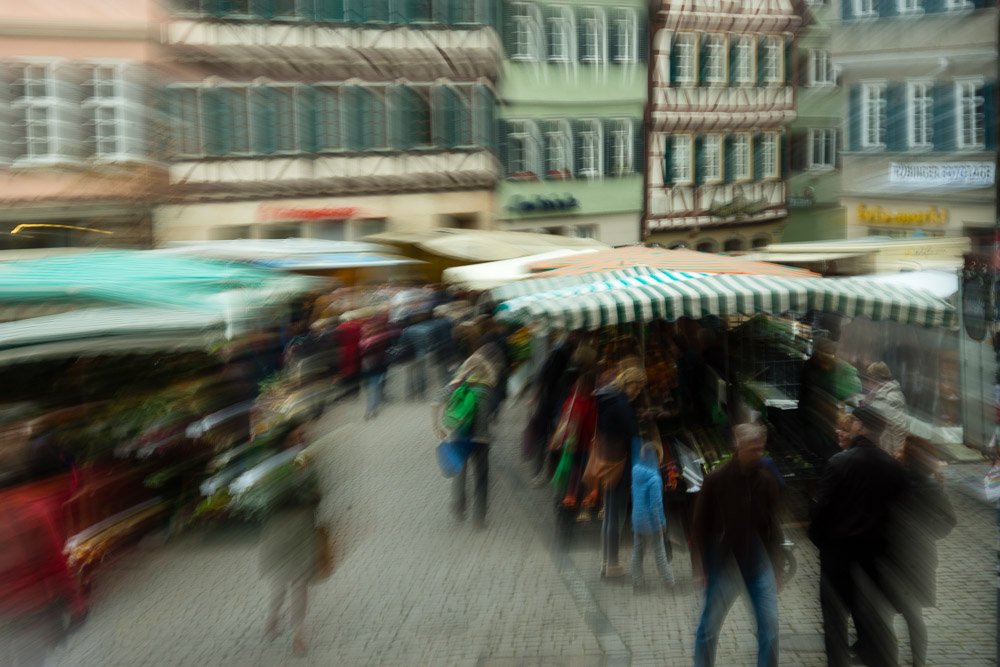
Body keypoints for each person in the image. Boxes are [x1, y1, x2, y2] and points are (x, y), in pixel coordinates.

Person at [809, 405, 907, 667]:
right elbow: (900, 517)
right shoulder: (893, 467)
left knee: (834, 620)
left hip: (837, 555)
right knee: (872, 620)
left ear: (860, 427)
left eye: (854, 423)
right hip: (874, 556)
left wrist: (823, 543)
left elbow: (820, 512)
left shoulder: (839, 463)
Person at [691, 422, 784, 667]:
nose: (759, 454)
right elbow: (699, 525)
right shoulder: (716, 480)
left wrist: (778, 566)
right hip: (725, 563)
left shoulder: (766, 480)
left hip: (757, 562)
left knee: (770, 627)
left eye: (761, 449)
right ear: (739, 447)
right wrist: (699, 565)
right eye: (754, 449)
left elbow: (774, 525)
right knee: (709, 628)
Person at [881, 436, 956, 667]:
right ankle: (918, 662)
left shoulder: (896, 483)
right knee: (912, 615)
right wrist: (927, 535)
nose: (896, 453)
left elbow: (949, 520)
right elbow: (949, 521)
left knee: (890, 613)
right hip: (918, 557)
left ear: (909, 458)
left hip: (895, 557)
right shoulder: (928, 485)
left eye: (901, 451)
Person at [260, 426, 324, 656]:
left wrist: (306, 483)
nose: (298, 440)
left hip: (303, 530)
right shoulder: (274, 465)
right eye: (293, 437)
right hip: (279, 531)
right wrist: (296, 481)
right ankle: (272, 615)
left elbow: (317, 496)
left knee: (300, 583)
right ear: (283, 442)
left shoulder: (308, 460)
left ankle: (298, 634)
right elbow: (271, 499)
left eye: (301, 436)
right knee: (279, 580)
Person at [432, 347, 499, 529]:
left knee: (460, 474)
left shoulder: (457, 384)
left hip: (459, 436)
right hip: (482, 440)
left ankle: (459, 507)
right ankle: (479, 519)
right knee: (481, 478)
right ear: (486, 368)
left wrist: (436, 427)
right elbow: (491, 413)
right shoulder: (488, 386)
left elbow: (436, 401)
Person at [591, 366, 645, 578]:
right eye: (635, 385)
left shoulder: (608, 396)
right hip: (619, 463)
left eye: (640, 387)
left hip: (607, 459)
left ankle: (607, 562)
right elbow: (633, 433)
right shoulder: (621, 404)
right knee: (616, 515)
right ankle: (611, 563)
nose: (637, 390)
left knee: (610, 514)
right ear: (626, 382)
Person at [630, 442, 675, 590]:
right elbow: (655, 506)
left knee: (638, 552)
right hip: (651, 522)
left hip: (637, 519)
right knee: (659, 552)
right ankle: (669, 583)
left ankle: (638, 582)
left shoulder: (635, 471)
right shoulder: (655, 479)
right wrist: (661, 524)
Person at [861, 362, 908, 456]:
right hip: (878, 449)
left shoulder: (891, 397)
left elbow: (899, 429)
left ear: (872, 379)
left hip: (887, 451)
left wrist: (898, 454)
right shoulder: (876, 394)